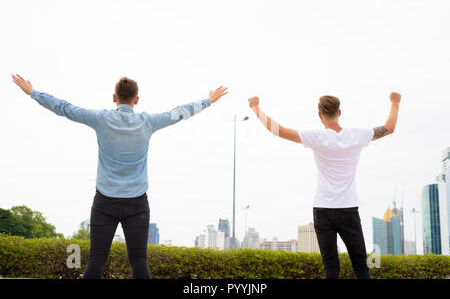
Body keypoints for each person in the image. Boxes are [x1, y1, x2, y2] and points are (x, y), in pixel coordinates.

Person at [11, 74, 228, 279]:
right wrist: (208, 100)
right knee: (139, 260)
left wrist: (33, 92)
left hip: (105, 201)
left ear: (114, 98)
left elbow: (65, 108)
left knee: (96, 259)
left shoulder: (101, 119)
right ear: (137, 99)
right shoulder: (148, 122)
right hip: (137, 203)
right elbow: (180, 112)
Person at [247, 92, 401, 279]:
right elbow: (389, 128)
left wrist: (256, 108)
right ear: (340, 112)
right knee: (361, 267)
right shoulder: (357, 135)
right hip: (348, 209)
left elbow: (277, 130)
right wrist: (395, 102)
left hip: (323, 210)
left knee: (331, 267)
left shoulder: (317, 137)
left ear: (320, 115)